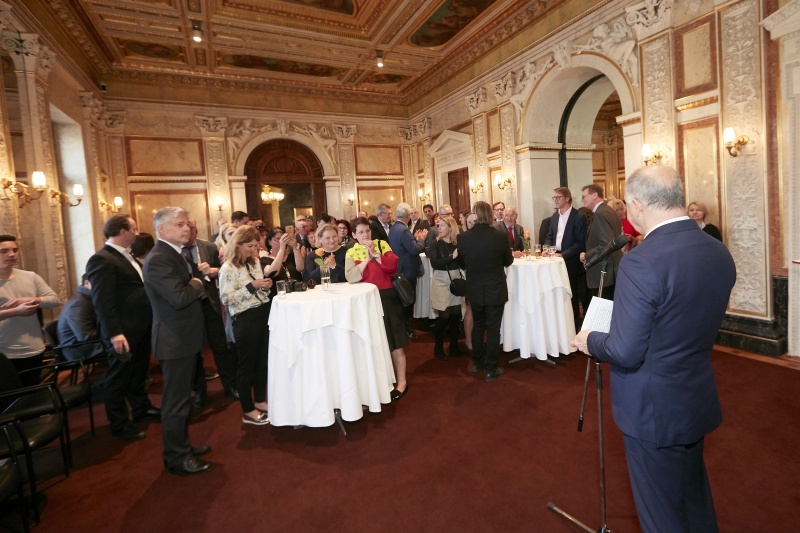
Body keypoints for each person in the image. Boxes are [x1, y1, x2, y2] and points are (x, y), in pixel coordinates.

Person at [573, 166, 736, 533]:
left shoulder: (641, 260)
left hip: (652, 408)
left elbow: (626, 350)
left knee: (661, 514)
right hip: (694, 395)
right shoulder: (717, 251)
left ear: (636, 204)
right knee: (694, 500)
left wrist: (591, 340)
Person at [143, 207, 212, 476]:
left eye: (187, 224)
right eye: (180, 224)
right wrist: (197, 280)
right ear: (162, 229)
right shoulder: (159, 258)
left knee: (182, 399)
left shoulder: (173, 253)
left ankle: (183, 447)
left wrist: (197, 275)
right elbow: (180, 297)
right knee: (175, 402)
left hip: (183, 337)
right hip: (174, 340)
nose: (187, 229)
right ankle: (176, 457)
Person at [85, 216, 159, 442]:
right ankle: (119, 423)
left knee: (137, 372)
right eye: (133, 229)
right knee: (118, 378)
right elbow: (102, 301)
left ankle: (141, 407)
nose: (137, 233)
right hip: (122, 331)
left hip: (139, 326)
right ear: (122, 231)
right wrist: (115, 333)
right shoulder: (102, 259)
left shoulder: (126, 256)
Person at [219, 225, 280, 427]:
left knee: (262, 361)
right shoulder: (228, 268)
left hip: (262, 314)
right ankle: (247, 409)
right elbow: (227, 298)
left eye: (255, 245)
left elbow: (258, 288)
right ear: (238, 244)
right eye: (249, 245)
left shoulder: (253, 262)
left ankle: (260, 401)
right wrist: (252, 286)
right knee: (246, 366)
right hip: (245, 319)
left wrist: (264, 286)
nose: (253, 250)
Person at [345, 217, 408, 400]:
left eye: (368, 231)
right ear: (354, 235)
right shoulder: (351, 251)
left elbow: (392, 266)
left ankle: (402, 382)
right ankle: (379, 382)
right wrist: (366, 259)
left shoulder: (381, 244)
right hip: (365, 300)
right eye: (361, 232)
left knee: (395, 343)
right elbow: (352, 277)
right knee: (372, 343)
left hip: (387, 297)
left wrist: (376, 254)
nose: (365, 235)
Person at [182, 218, 239, 407]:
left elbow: (224, 269)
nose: (189, 232)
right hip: (188, 305)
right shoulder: (174, 252)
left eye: (192, 228)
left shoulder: (208, 247)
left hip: (210, 302)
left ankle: (230, 385)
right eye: (185, 228)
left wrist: (215, 270)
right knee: (195, 351)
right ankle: (199, 392)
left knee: (220, 346)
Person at [457, 202, 513, 381]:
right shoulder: (500, 236)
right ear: (490, 214)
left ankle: (476, 363)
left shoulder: (464, 237)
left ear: (475, 214)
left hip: (474, 289)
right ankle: (491, 369)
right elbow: (508, 261)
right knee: (493, 329)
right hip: (495, 289)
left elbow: (462, 264)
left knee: (478, 326)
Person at [0, 234, 61, 386]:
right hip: (4, 351)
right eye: (4, 251)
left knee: (32, 393)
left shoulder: (30, 277)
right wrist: (15, 311)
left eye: (15, 250)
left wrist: (31, 300)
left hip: (33, 348)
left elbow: (54, 300)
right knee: (10, 401)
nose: (12, 254)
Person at [545, 187, 588, 330]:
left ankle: (574, 325)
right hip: (554, 258)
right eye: (554, 198)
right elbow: (550, 236)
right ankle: (560, 323)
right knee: (557, 291)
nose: (555, 200)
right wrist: (546, 248)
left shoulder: (578, 216)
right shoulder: (555, 216)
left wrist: (563, 254)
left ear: (567, 199)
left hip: (571, 260)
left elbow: (580, 243)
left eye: (558, 197)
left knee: (572, 293)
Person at [427, 215, 465, 361]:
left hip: (455, 280)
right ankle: (438, 347)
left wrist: (460, 256)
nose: (439, 228)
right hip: (441, 280)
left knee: (456, 315)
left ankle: (454, 346)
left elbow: (462, 264)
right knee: (444, 316)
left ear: (450, 227)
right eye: (438, 226)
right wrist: (452, 257)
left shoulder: (457, 245)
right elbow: (435, 264)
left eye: (442, 225)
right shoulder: (434, 244)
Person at [388, 203, 428, 340]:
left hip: (400, 269)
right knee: (408, 301)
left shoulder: (394, 228)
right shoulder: (404, 230)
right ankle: (407, 330)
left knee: (402, 302)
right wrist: (421, 239)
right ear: (407, 215)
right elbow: (414, 249)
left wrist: (414, 240)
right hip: (408, 270)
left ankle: (404, 329)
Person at [580, 184, 622, 300]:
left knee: (603, 312)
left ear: (594, 195)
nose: (582, 200)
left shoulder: (600, 213)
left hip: (603, 270)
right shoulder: (609, 210)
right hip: (611, 269)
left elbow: (605, 244)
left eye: (584, 196)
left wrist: (586, 255)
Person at [57, 274, 104, 362]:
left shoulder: (86, 298)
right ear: (86, 283)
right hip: (78, 349)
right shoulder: (78, 304)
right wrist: (111, 333)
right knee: (125, 344)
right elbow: (86, 337)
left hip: (83, 344)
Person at [261, 227, 303, 298]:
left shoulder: (291, 256)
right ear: (269, 242)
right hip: (279, 296)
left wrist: (295, 247)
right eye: (277, 239)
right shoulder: (264, 260)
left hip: (297, 293)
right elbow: (272, 273)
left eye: (283, 239)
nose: (281, 241)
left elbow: (300, 268)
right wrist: (281, 249)